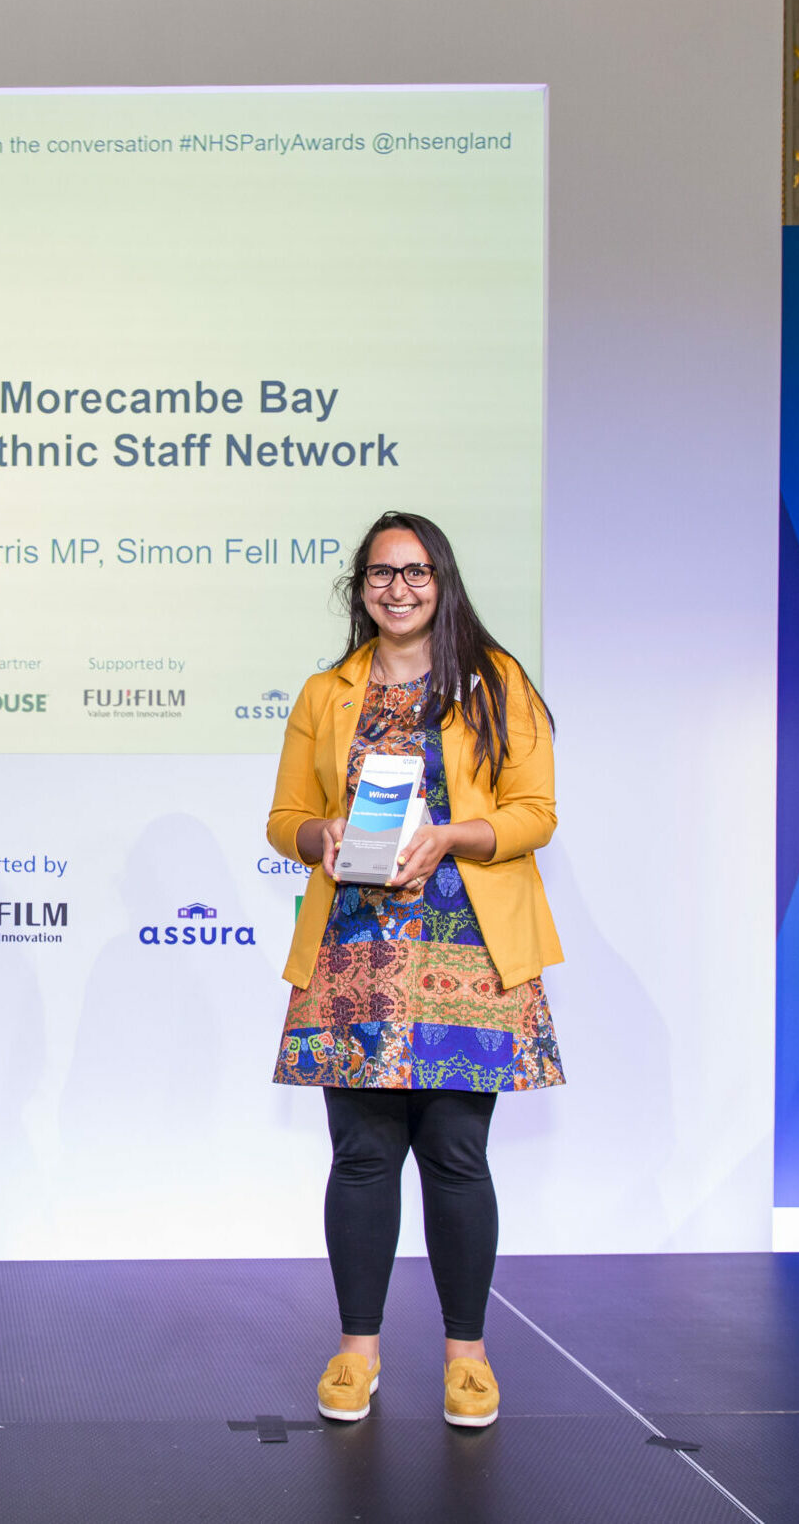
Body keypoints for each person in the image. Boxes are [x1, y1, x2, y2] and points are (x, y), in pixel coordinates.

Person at [266, 510, 564, 1431]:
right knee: (359, 1158)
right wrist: (318, 836)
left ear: (443, 580)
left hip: (465, 946)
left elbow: (535, 811)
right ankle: (357, 1352)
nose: (398, 588)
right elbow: (285, 817)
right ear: (360, 586)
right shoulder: (327, 691)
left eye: (417, 571)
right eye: (381, 573)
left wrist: (452, 835)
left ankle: (466, 1358)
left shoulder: (493, 680)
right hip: (353, 945)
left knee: (455, 1157)